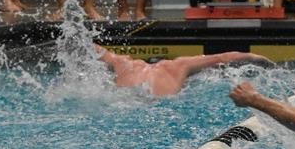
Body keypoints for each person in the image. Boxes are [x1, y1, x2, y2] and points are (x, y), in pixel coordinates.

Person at [95, 46, 272, 97]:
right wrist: (255, 57)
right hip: (159, 105)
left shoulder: (124, 63)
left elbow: (94, 49)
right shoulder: (179, 65)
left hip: (127, 99)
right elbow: (223, 57)